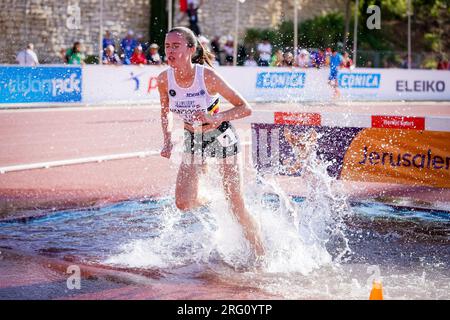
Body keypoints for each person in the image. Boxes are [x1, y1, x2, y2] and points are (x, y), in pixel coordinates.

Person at [157, 26, 265, 258]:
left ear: (191, 49)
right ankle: (215, 198)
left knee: (237, 208)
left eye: (176, 46)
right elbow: (165, 112)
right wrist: (167, 138)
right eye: (167, 46)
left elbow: (245, 108)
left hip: (221, 136)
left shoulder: (206, 76)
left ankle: (262, 255)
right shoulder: (164, 79)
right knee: (183, 202)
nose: (170, 51)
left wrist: (216, 117)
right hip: (192, 139)